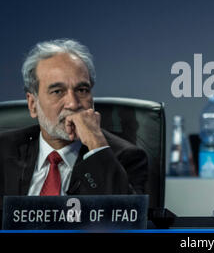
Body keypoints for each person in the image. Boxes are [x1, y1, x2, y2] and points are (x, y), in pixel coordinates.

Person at [0, 39, 149, 205]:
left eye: (82, 90)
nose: (73, 103)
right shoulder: (4, 151)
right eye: (57, 91)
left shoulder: (123, 158)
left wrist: (96, 142)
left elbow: (126, 220)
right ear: (33, 104)